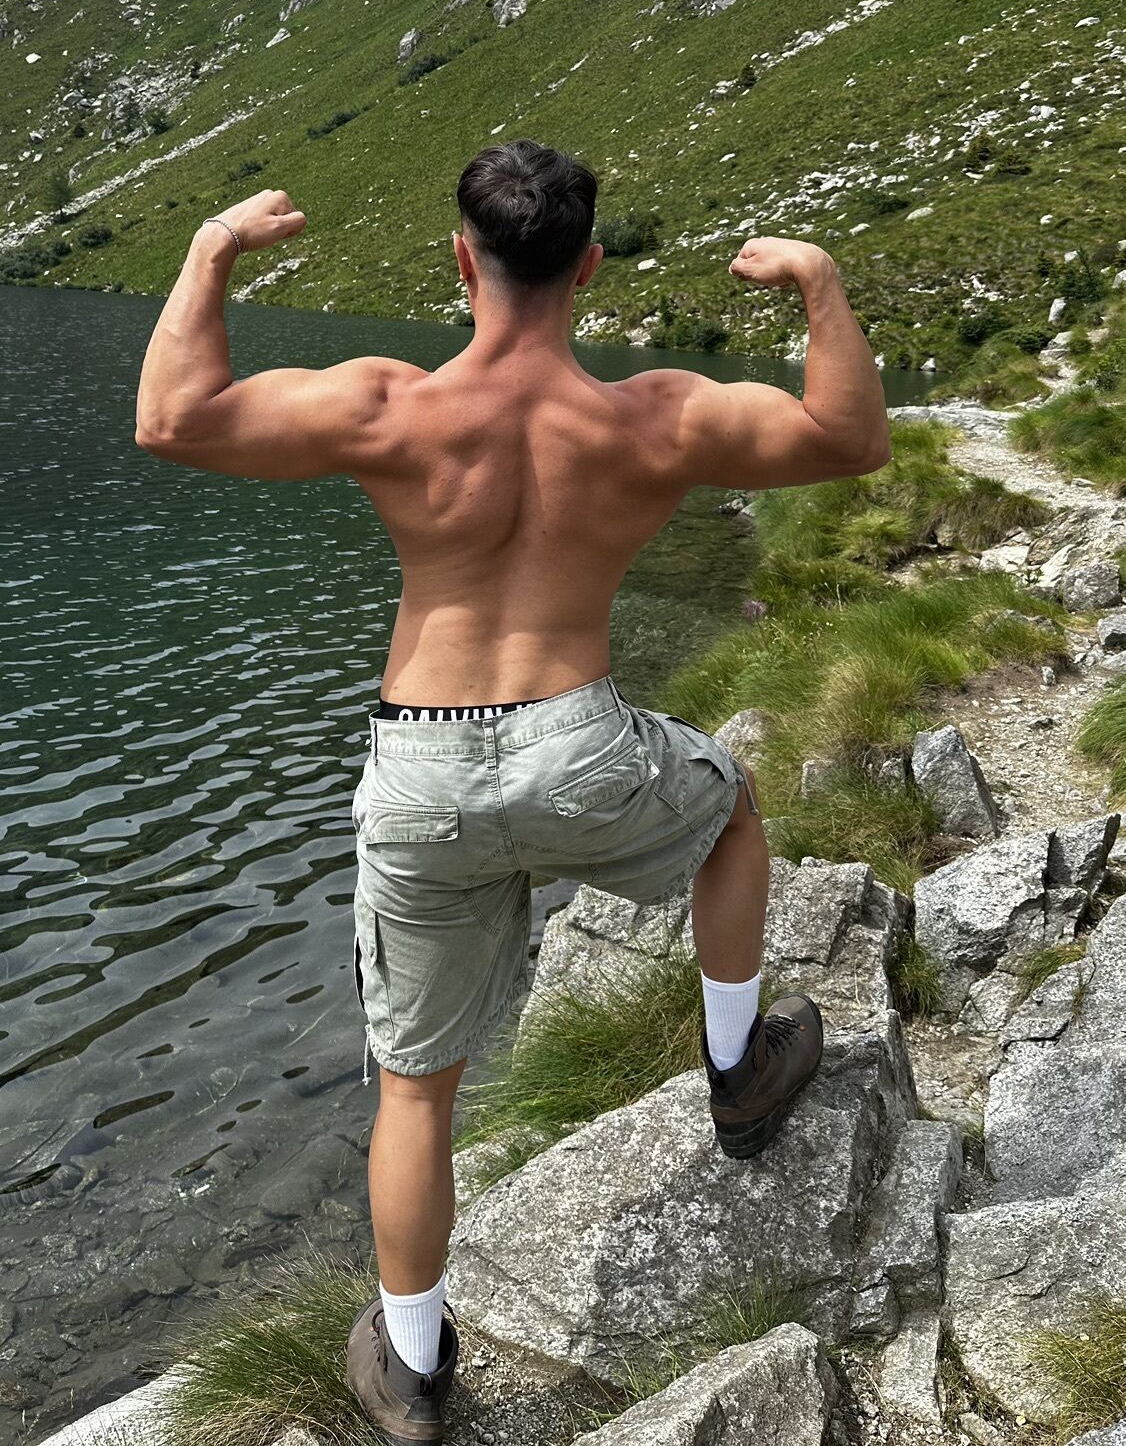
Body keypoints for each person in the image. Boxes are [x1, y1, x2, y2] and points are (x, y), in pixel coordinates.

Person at [135, 139, 891, 1445]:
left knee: (415, 1088)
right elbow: (849, 436)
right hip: (579, 748)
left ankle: (414, 1368)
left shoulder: (390, 406)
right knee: (729, 810)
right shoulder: (653, 416)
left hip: (421, 765)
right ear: (587, 268)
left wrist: (212, 252)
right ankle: (738, 1067)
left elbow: (173, 418)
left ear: (460, 259)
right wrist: (818, 281)